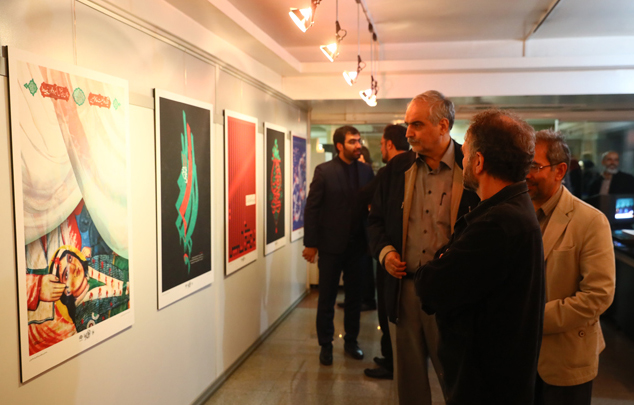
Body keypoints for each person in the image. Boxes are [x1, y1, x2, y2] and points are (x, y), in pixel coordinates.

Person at [414, 109, 545, 405]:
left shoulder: (497, 223)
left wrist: (438, 262)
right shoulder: (512, 207)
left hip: (486, 383)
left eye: (465, 153)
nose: (462, 161)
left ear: (479, 161)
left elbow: (431, 286)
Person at [368, 91, 479, 404]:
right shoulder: (395, 170)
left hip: (453, 295)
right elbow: (374, 222)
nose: (408, 133)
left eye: (416, 124)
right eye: (407, 124)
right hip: (404, 292)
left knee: (456, 379)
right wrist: (386, 253)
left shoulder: (472, 169)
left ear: (443, 125)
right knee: (409, 380)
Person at [526, 130, 615, 405]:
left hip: (565, 360)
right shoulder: (516, 215)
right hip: (519, 360)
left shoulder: (590, 221)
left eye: (534, 166)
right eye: (522, 165)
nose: (525, 174)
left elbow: (598, 296)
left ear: (560, 171)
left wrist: (530, 319)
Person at [303, 125, 375, 366]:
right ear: (340, 146)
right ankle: (326, 344)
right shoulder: (324, 171)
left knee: (354, 298)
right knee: (327, 298)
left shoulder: (366, 171)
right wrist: (311, 244)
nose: (358, 145)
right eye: (353, 141)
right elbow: (312, 208)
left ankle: (351, 341)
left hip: (358, 247)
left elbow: (373, 205)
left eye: (359, 141)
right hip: (331, 246)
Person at [363, 124, 410, 380]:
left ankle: (392, 363)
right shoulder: (405, 169)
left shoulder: (389, 171)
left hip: (392, 256)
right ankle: (390, 358)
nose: (381, 148)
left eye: (381, 144)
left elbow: (364, 200)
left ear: (389, 144)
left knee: (389, 310)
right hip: (395, 254)